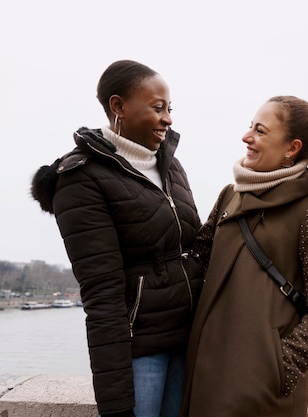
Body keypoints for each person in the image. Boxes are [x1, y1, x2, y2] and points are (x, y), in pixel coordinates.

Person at [30, 60, 203, 417]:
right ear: (118, 106)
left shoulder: (171, 165)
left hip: (191, 339)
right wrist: (116, 402)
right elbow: (102, 292)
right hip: (140, 352)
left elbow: (196, 249)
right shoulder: (81, 178)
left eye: (170, 109)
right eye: (158, 108)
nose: (168, 118)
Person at [181, 96, 308, 417]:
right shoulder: (229, 196)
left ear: (292, 148)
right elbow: (194, 265)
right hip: (202, 375)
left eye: (260, 131)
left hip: (261, 396)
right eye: (250, 127)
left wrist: (277, 370)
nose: (246, 137)